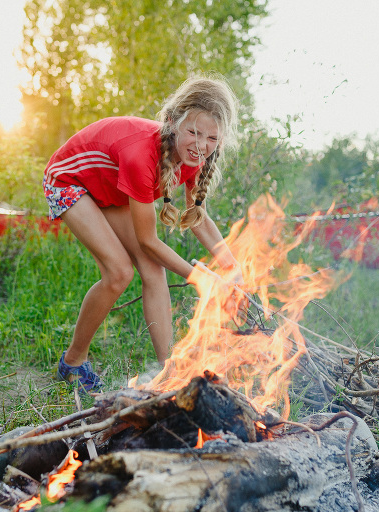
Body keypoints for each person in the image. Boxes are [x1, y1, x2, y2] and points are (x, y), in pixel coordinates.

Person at [42, 75, 243, 392]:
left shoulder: (194, 157)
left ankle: (170, 371)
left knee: (154, 269)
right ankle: (72, 363)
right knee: (119, 272)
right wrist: (199, 278)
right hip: (71, 181)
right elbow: (149, 241)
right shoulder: (142, 155)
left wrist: (232, 266)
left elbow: (199, 220)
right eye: (193, 132)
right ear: (174, 122)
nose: (201, 145)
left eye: (211, 138)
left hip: (109, 187)